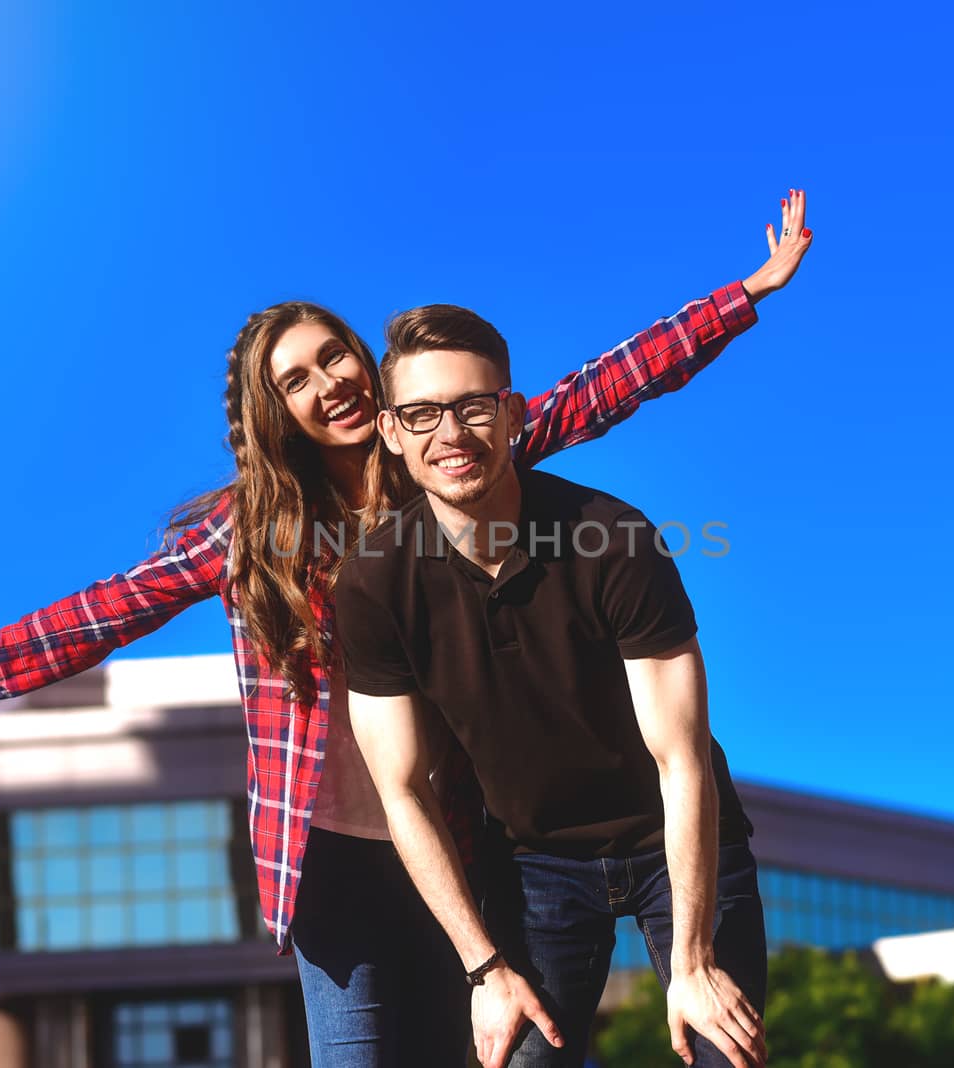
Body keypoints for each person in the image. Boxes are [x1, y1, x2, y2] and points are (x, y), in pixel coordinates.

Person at [0, 191, 811, 1066]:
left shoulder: (444, 452)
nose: (330, 382)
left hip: (456, 844)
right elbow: (111, 607)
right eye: (297, 381)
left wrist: (741, 297)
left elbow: (600, 388)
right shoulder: (251, 534)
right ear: (274, 414)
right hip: (332, 857)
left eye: (335, 356)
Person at [334, 277, 793, 1066]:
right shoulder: (375, 581)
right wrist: (484, 968)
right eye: (422, 414)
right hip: (533, 865)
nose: (453, 433)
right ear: (392, 432)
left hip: (673, 839)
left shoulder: (612, 538)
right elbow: (401, 789)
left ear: (512, 414)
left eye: (474, 406)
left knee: (726, 1050)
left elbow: (681, 759)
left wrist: (691, 962)